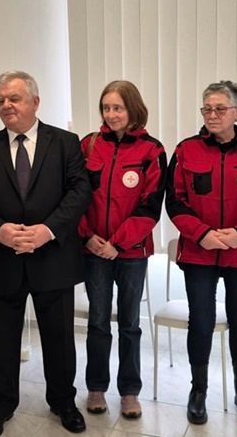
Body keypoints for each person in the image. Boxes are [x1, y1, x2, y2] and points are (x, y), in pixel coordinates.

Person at [0, 71, 92, 437]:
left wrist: (47, 231)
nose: (6, 105)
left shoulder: (65, 143)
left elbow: (79, 191)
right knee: (0, 341)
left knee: (60, 338)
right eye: (1, 99)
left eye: (14, 99)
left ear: (35, 102)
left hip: (52, 258)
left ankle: (63, 401)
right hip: (1, 259)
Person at [165, 80, 237, 425]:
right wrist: (201, 234)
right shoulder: (186, 150)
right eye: (207, 109)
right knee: (200, 320)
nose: (212, 115)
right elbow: (175, 201)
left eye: (220, 109)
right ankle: (198, 390)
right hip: (199, 252)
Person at [79, 81, 166, 419]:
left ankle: (130, 392)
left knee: (130, 323)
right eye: (106, 107)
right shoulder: (88, 145)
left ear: (133, 109)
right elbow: (74, 197)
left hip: (131, 253)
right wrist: (87, 237)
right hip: (93, 250)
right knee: (98, 321)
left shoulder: (152, 150)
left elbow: (150, 206)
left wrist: (118, 243)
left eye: (118, 107)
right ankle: (96, 387)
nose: (111, 114)